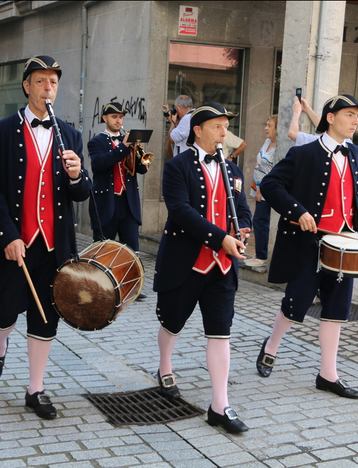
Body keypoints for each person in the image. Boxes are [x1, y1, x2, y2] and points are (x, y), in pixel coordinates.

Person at [0, 55, 91, 420]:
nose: (48, 88)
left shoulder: (70, 134)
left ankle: (35, 388)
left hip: (54, 245)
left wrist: (76, 176)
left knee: (46, 315)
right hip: (12, 243)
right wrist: (7, 234)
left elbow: (81, 193)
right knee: (3, 309)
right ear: (27, 86)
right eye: (40, 81)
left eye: (53, 82)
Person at [257, 94, 358, 400]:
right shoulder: (305, 153)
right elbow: (271, 185)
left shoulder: (356, 153)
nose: (356, 121)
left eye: (357, 116)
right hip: (308, 242)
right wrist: (298, 211)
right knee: (297, 302)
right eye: (349, 115)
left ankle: (328, 374)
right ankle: (271, 346)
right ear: (330, 117)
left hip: (344, 242)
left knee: (337, 308)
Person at [153, 103, 252, 433]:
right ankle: (165, 365)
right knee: (172, 320)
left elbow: (242, 207)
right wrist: (220, 237)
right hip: (186, 262)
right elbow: (180, 211)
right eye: (217, 126)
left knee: (220, 331)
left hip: (222, 267)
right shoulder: (177, 166)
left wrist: (243, 230)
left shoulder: (233, 170)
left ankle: (219, 405)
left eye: (226, 126)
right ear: (197, 130)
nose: (225, 133)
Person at [88, 102, 148, 299]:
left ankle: (132, 287)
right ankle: (100, 286)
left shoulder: (128, 141)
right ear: (105, 119)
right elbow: (100, 163)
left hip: (128, 202)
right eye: (114, 117)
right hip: (106, 201)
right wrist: (123, 147)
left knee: (131, 247)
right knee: (103, 246)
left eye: (121, 117)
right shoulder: (96, 142)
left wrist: (140, 157)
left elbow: (139, 170)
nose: (118, 120)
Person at [245, 115, 279, 269]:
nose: (266, 128)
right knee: (260, 219)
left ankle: (262, 255)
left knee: (260, 220)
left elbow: (272, 170)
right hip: (257, 186)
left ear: (277, 128)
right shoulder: (267, 142)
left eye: (269, 125)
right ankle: (260, 254)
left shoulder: (280, 147)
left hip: (266, 188)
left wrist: (260, 189)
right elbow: (259, 161)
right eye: (266, 125)